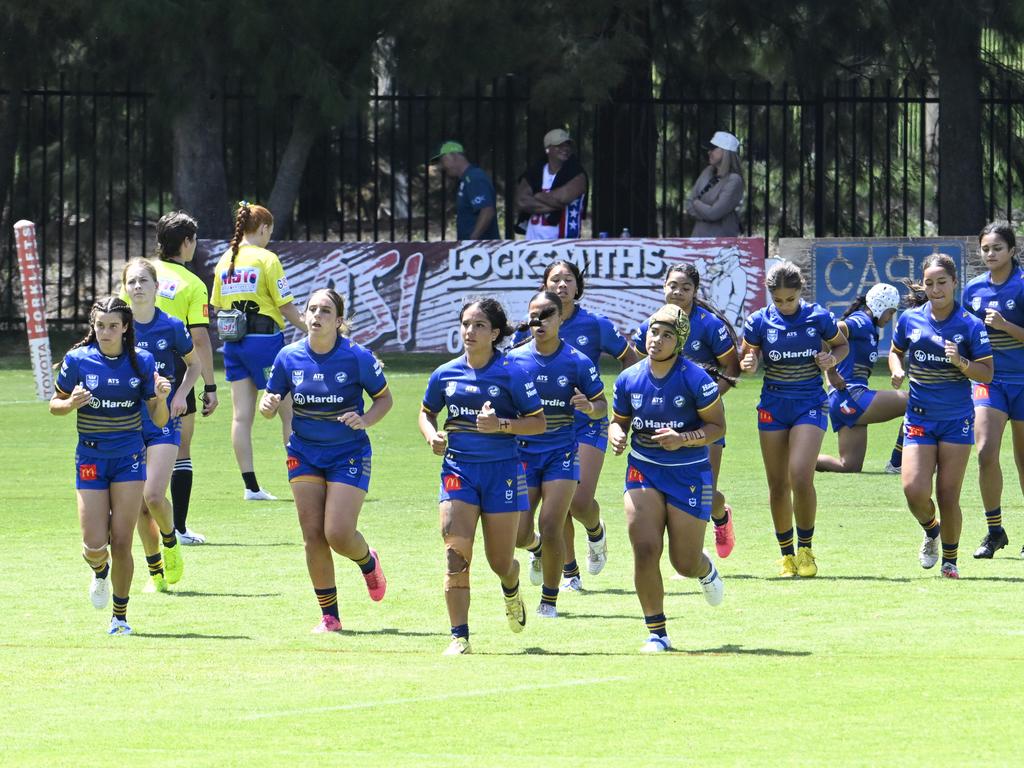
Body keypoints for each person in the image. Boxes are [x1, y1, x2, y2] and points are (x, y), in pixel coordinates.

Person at [419, 298, 546, 655]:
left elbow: (539, 422)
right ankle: (459, 636)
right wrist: (432, 436)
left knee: (499, 561)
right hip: (458, 472)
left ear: (494, 333)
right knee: (455, 554)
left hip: (503, 473)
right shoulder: (444, 374)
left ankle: (512, 584)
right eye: (465, 324)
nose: (469, 331)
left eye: (478, 325)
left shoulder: (513, 373)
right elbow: (426, 412)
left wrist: (501, 425)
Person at [261, 289, 392, 632]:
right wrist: (268, 407)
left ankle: (367, 561)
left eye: (326, 310)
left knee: (337, 532)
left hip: (348, 453)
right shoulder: (288, 357)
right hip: (303, 452)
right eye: (312, 309)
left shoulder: (357, 357)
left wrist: (365, 420)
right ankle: (330, 616)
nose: (317, 315)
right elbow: (271, 398)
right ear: (304, 316)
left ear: (339, 321)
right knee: (312, 534)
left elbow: (384, 399)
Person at [514, 259, 639, 592]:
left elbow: (631, 359)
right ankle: (569, 573)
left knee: (579, 501)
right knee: (556, 507)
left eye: (568, 279)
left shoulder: (595, 325)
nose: (562, 285)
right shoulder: (528, 329)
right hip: (541, 429)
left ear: (578, 287)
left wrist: (624, 400)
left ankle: (596, 531)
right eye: (555, 279)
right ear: (544, 286)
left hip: (586, 423)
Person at [50, 296, 171, 635]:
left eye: (112, 326)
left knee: (121, 541)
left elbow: (159, 419)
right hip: (90, 458)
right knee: (93, 545)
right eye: (100, 325)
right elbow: (53, 405)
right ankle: (99, 572)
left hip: (129, 460)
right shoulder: (77, 360)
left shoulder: (142, 362)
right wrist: (70, 403)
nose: (105, 332)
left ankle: (120, 617)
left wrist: (160, 397)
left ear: (125, 328)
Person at [610, 304, 726, 653]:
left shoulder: (696, 380)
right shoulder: (629, 379)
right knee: (645, 548)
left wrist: (683, 439)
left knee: (683, 562)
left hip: (689, 472)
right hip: (643, 468)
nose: (656, 340)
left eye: (666, 335)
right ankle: (657, 633)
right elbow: (619, 420)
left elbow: (717, 428)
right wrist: (615, 433)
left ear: (680, 342)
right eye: (652, 332)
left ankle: (704, 569)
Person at [739, 261, 848, 577]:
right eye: (779, 300)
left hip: (809, 404)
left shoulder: (818, 317)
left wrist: (831, 359)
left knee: (800, 475)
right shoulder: (759, 321)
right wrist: (749, 360)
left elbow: (841, 346)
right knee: (777, 484)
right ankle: (786, 555)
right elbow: (749, 354)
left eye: (791, 299)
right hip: (773, 406)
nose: (786, 306)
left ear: (800, 292)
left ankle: (806, 551)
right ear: (771, 296)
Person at [889, 254, 993, 578]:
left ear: (954, 282)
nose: (935, 289)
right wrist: (896, 371)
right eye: (929, 283)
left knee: (948, 494)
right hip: (919, 417)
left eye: (942, 282)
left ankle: (950, 561)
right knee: (914, 490)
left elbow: (987, 373)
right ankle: (931, 531)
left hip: (957, 420)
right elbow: (896, 352)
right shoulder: (909, 319)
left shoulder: (970, 325)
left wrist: (962, 363)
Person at [507, 291, 607, 618]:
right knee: (520, 533)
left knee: (550, 524)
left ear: (560, 318)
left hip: (561, 453)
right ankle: (537, 550)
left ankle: (549, 599)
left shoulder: (577, 362)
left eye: (547, 314)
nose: (540, 321)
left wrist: (590, 407)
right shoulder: (513, 359)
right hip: (523, 454)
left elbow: (602, 406)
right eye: (534, 315)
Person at [632, 263, 740, 558]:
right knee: (666, 493)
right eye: (673, 286)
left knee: (705, 491)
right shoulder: (651, 326)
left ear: (695, 291)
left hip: (705, 423)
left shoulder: (708, 325)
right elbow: (637, 369)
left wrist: (708, 401)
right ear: (663, 287)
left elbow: (732, 366)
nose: (678, 292)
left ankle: (718, 520)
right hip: (662, 424)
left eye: (685, 287)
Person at [210, 202, 307, 500]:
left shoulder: (225, 259)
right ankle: (301, 477)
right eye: (270, 231)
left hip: (233, 344)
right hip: (264, 342)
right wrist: (313, 328)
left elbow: (217, 306)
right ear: (263, 228)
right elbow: (286, 306)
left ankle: (250, 486)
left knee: (241, 417)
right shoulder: (267, 258)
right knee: (289, 413)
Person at [123, 258, 202, 593]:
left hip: (164, 419)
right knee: (139, 506)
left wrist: (183, 394)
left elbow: (194, 364)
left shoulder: (170, 325)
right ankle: (155, 571)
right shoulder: (119, 327)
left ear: (156, 287)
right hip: (128, 423)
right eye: (131, 282)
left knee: (154, 494)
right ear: (125, 289)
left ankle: (171, 541)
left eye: (143, 281)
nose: (137, 287)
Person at [152, 211, 218, 545]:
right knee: (181, 449)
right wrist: (210, 385)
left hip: (137, 368)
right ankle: (177, 527)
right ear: (187, 242)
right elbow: (200, 339)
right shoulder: (193, 284)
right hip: (176, 370)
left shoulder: (140, 274)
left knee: (134, 446)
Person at [962, 222, 1024, 559]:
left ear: (1012, 251)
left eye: (997, 248)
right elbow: (966, 334)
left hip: (1023, 382)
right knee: (985, 452)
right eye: (985, 248)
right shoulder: (973, 289)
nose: (990, 254)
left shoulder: (1022, 286)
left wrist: (1004, 325)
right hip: (989, 383)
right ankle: (994, 531)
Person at [816, 283, 909, 474]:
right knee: (916, 401)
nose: (890, 317)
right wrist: (831, 373)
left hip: (842, 400)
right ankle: (897, 462)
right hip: (851, 395)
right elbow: (827, 335)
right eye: (890, 313)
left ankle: (791, 459)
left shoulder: (869, 328)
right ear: (880, 307)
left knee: (849, 466)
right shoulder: (861, 322)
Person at [515, 128, 588, 239]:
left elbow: (562, 199)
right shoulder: (535, 172)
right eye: (559, 145)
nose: (565, 149)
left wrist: (537, 195)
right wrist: (555, 205)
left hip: (563, 245)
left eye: (567, 145)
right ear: (548, 149)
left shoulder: (577, 174)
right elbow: (521, 201)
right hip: (532, 243)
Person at [432, 141, 500, 240]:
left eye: (442, 161)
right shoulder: (466, 179)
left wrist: (471, 241)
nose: (441, 166)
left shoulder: (474, 178)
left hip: (481, 249)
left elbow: (487, 210)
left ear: (454, 156)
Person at [686, 131, 744, 237]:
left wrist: (697, 204)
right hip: (698, 238)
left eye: (713, 149)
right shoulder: (707, 171)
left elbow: (714, 214)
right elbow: (689, 204)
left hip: (720, 243)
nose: (709, 152)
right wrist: (707, 212)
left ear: (725, 152)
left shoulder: (734, 180)